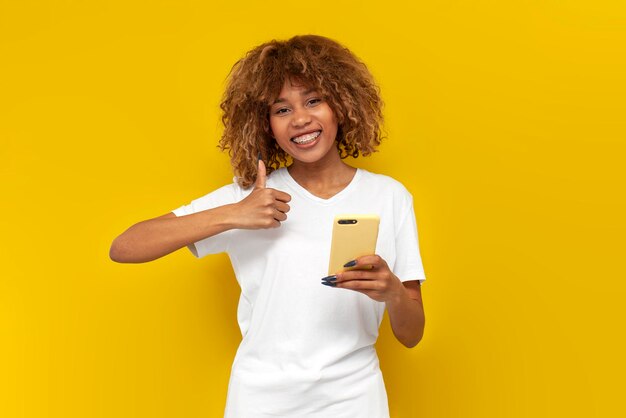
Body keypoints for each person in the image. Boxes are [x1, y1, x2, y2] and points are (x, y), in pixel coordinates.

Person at [110, 34, 427, 418]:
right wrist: (233, 214)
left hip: (354, 398)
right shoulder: (250, 196)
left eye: (314, 100)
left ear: (341, 105)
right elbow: (124, 247)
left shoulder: (389, 196)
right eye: (281, 109)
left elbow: (411, 335)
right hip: (260, 400)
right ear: (266, 125)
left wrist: (393, 292)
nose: (301, 119)